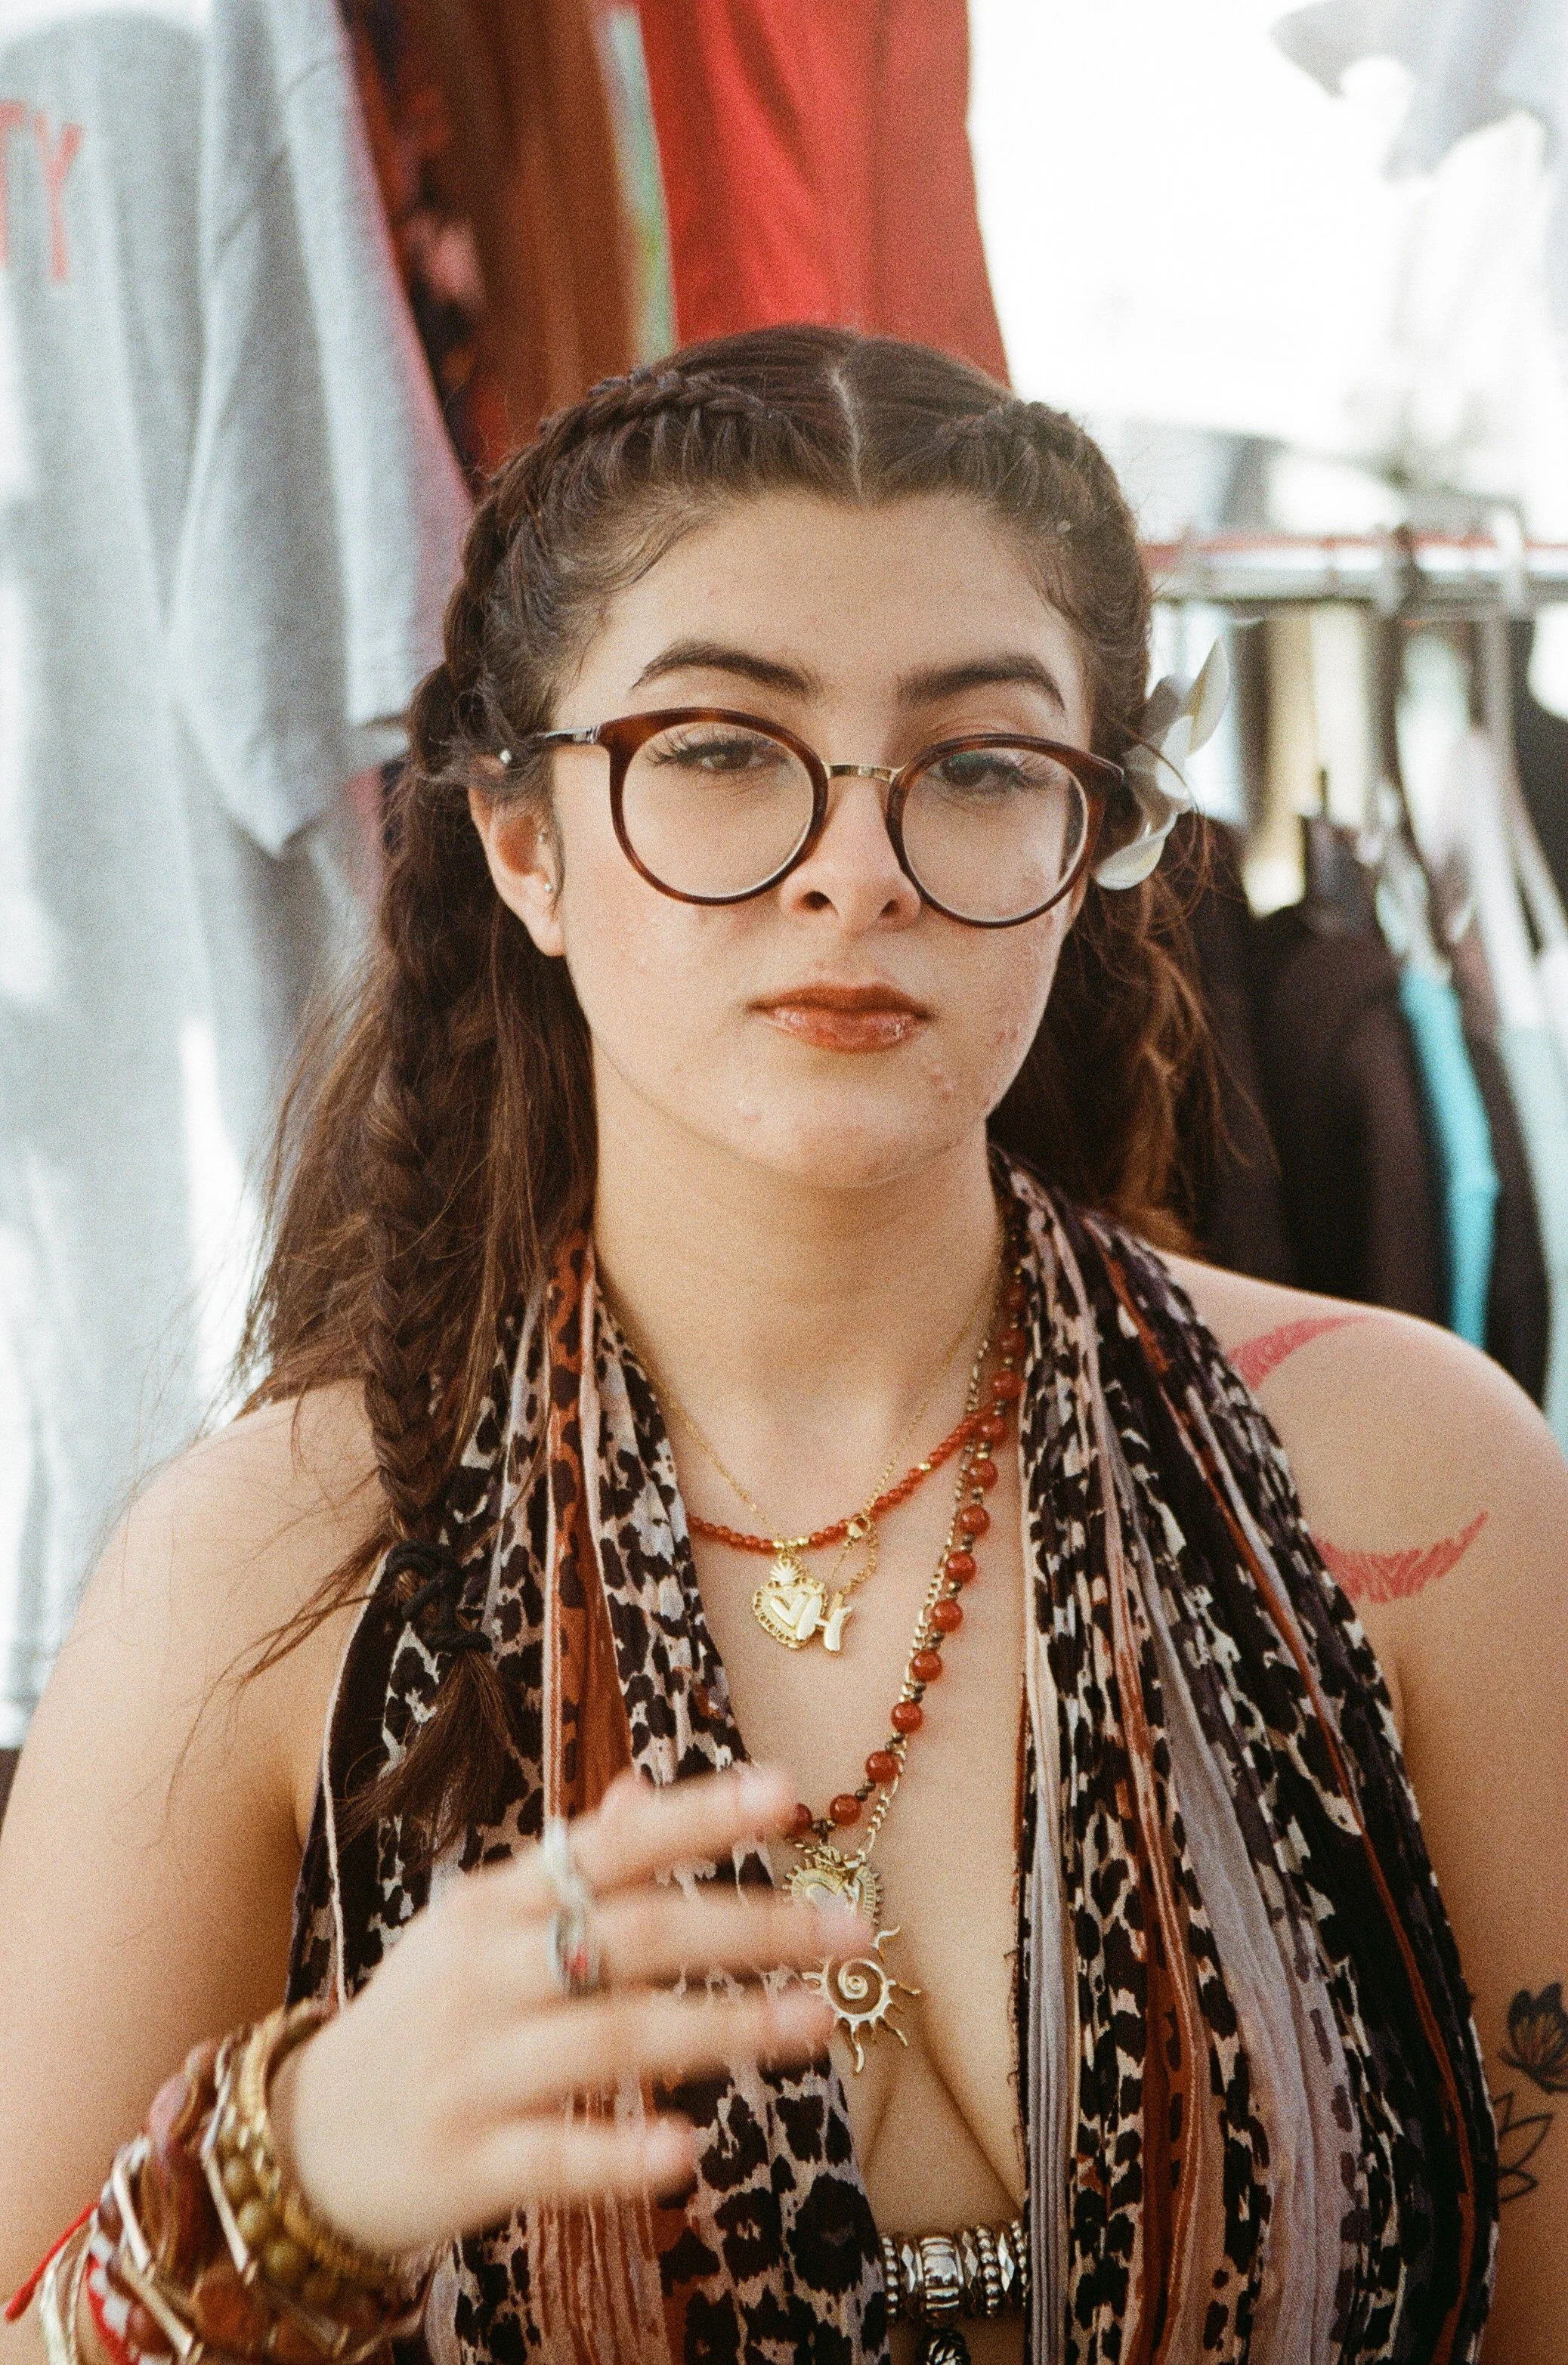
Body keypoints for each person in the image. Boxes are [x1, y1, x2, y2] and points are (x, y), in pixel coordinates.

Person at [1, 329, 1563, 2365]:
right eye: (722, 751)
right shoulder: (268, 1582)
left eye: (979, 765)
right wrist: (307, 2173)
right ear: (522, 838)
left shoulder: (1414, 1483)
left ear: (1088, 844)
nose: (851, 867)